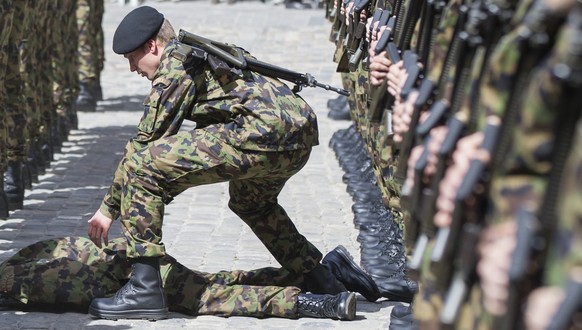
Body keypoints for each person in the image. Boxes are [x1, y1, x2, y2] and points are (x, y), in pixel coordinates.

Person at [86, 6, 378, 320]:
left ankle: (144, 288)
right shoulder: (199, 50)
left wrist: (108, 209)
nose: (133, 69)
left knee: (142, 167)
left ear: (152, 46)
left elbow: (146, 143)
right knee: (252, 204)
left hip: (260, 135)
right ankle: (321, 276)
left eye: (132, 59)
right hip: (297, 136)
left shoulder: (176, 64)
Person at [0, 236, 357, 320]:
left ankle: (316, 302)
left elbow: (82, 287)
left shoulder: (17, 279)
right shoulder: (23, 260)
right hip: (132, 259)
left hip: (129, 276)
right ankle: (318, 275)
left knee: (209, 297)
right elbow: (74, 247)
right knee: (216, 281)